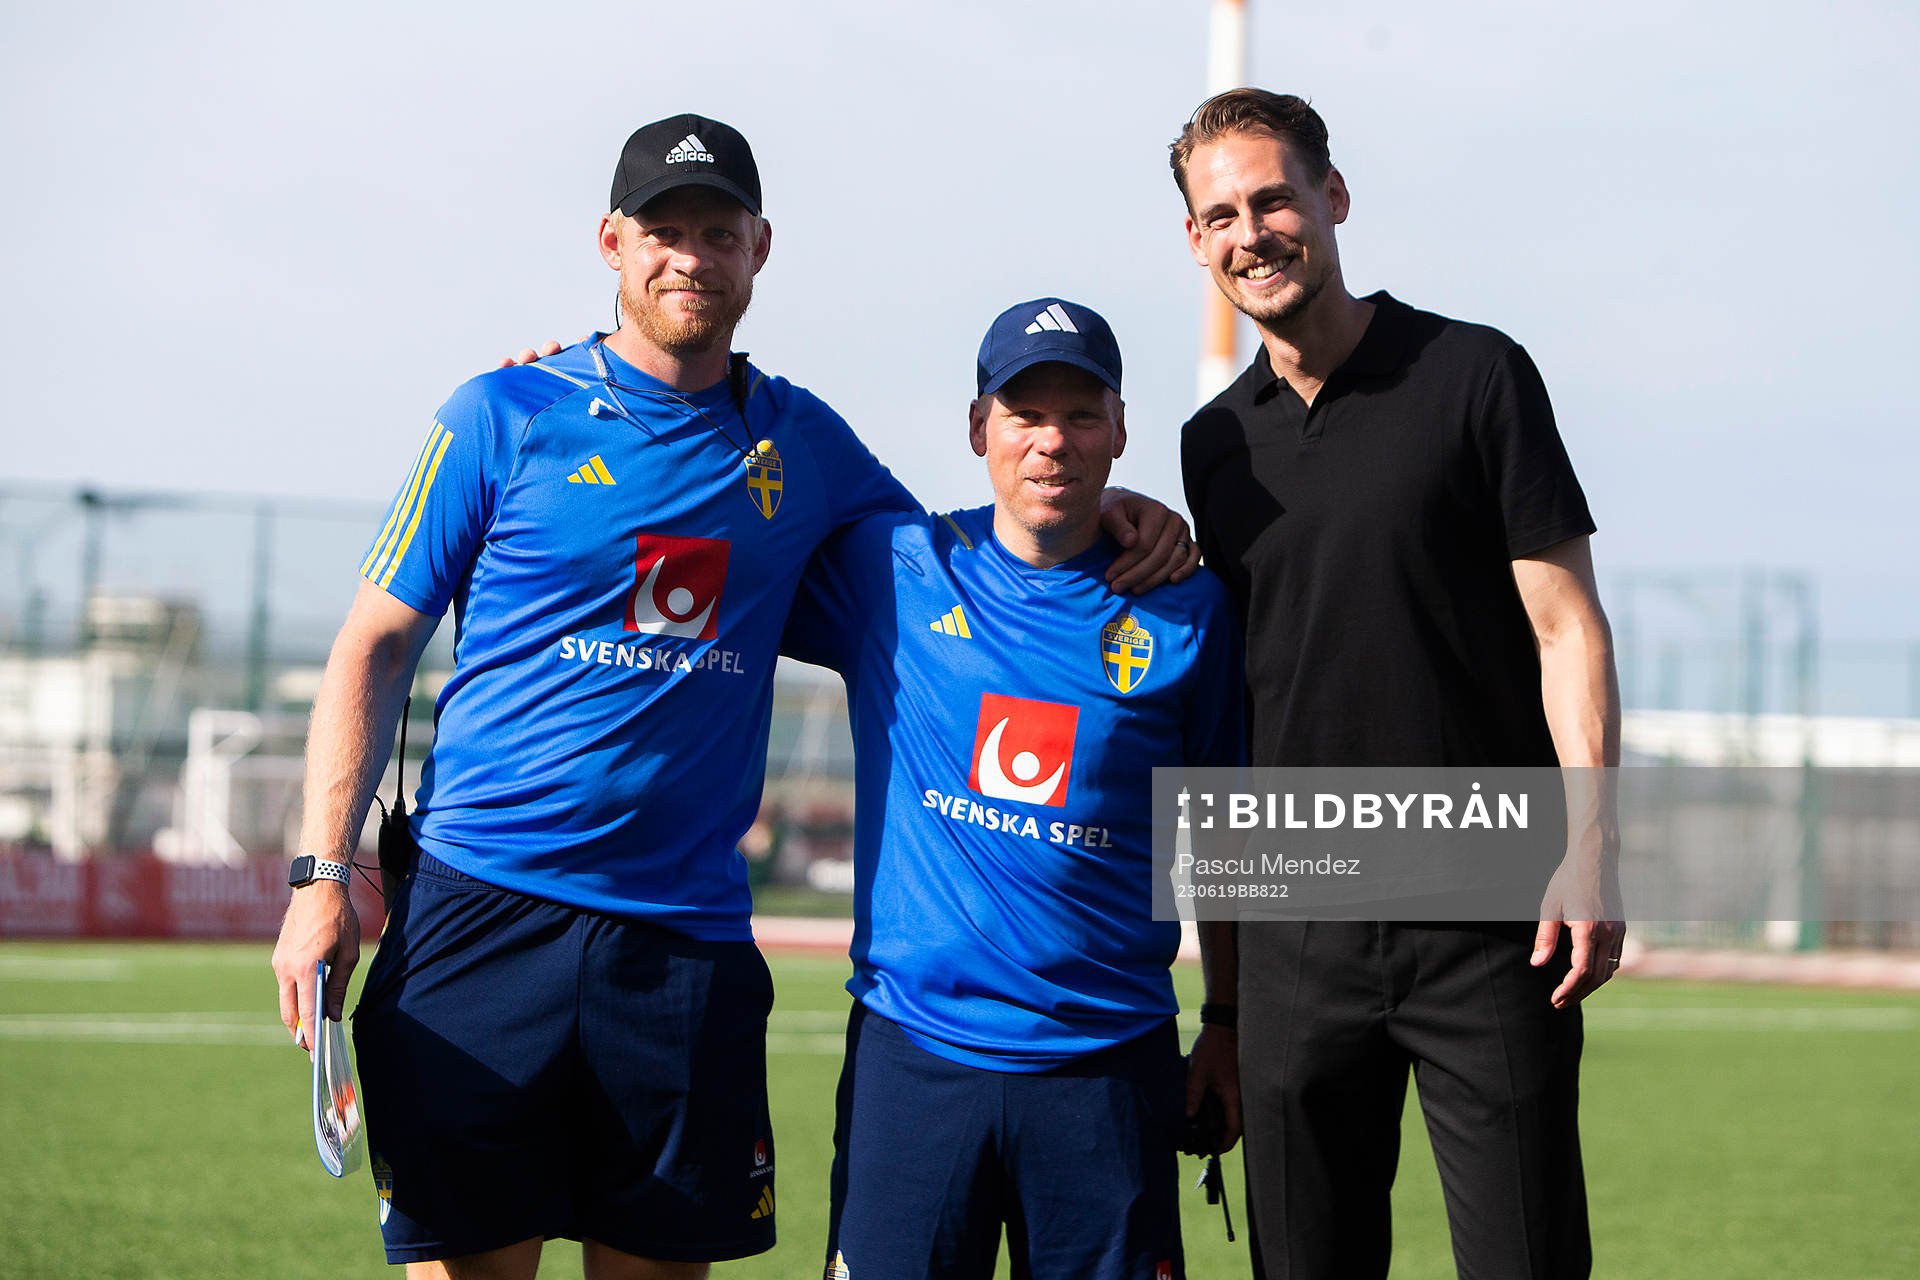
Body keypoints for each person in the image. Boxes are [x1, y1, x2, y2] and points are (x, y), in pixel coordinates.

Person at [268, 115, 1194, 1280]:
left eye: (718, 232)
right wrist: (321, 876)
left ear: (761, 248)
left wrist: (1125, 515)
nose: (689, 257)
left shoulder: (804, 443)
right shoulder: (499, 416)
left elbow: (986, 564)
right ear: (612, 241)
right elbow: (371, 648)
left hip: (684, 951)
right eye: (663, 230)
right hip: (480, 918)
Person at [1169, 89, 1625, 1279]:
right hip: (1289, 915)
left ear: (1333, 197)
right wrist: (1221, 1006)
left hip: (1488, 904)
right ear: (1195, 241)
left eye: (1274, 196)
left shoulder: (1476, 374)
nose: (1252, 230)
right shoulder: (1209, 443)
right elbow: (1231, 701)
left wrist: (1588, 844)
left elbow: (1567, 625)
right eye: (1221, 213)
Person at [781, 298, 1244, 1280]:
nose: (1052, 441)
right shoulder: (894, 568)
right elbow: (721, 517)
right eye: (1025, 413)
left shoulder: (1190, 609)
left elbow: (1225, 839)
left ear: (1120, 431)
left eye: (1081, 415)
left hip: (1107, 1066)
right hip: (915, 1057)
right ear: (979, 426)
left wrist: (1229, 1023)